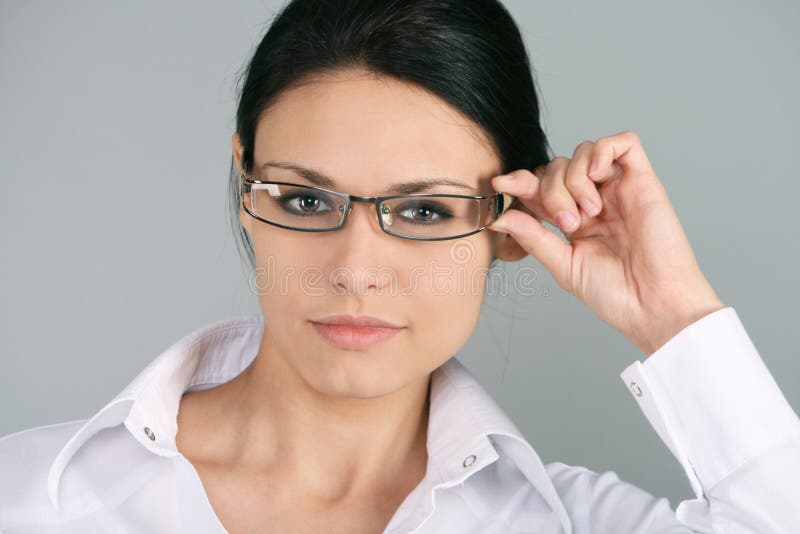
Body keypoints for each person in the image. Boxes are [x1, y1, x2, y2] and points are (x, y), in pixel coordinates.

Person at [1, 0, 798, 532]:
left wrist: (673, 312)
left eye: (423, 211)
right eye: (307, 201)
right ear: (245, 181)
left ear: (512, 222)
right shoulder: (34, 493)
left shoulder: (562, 522)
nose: (356, 269)